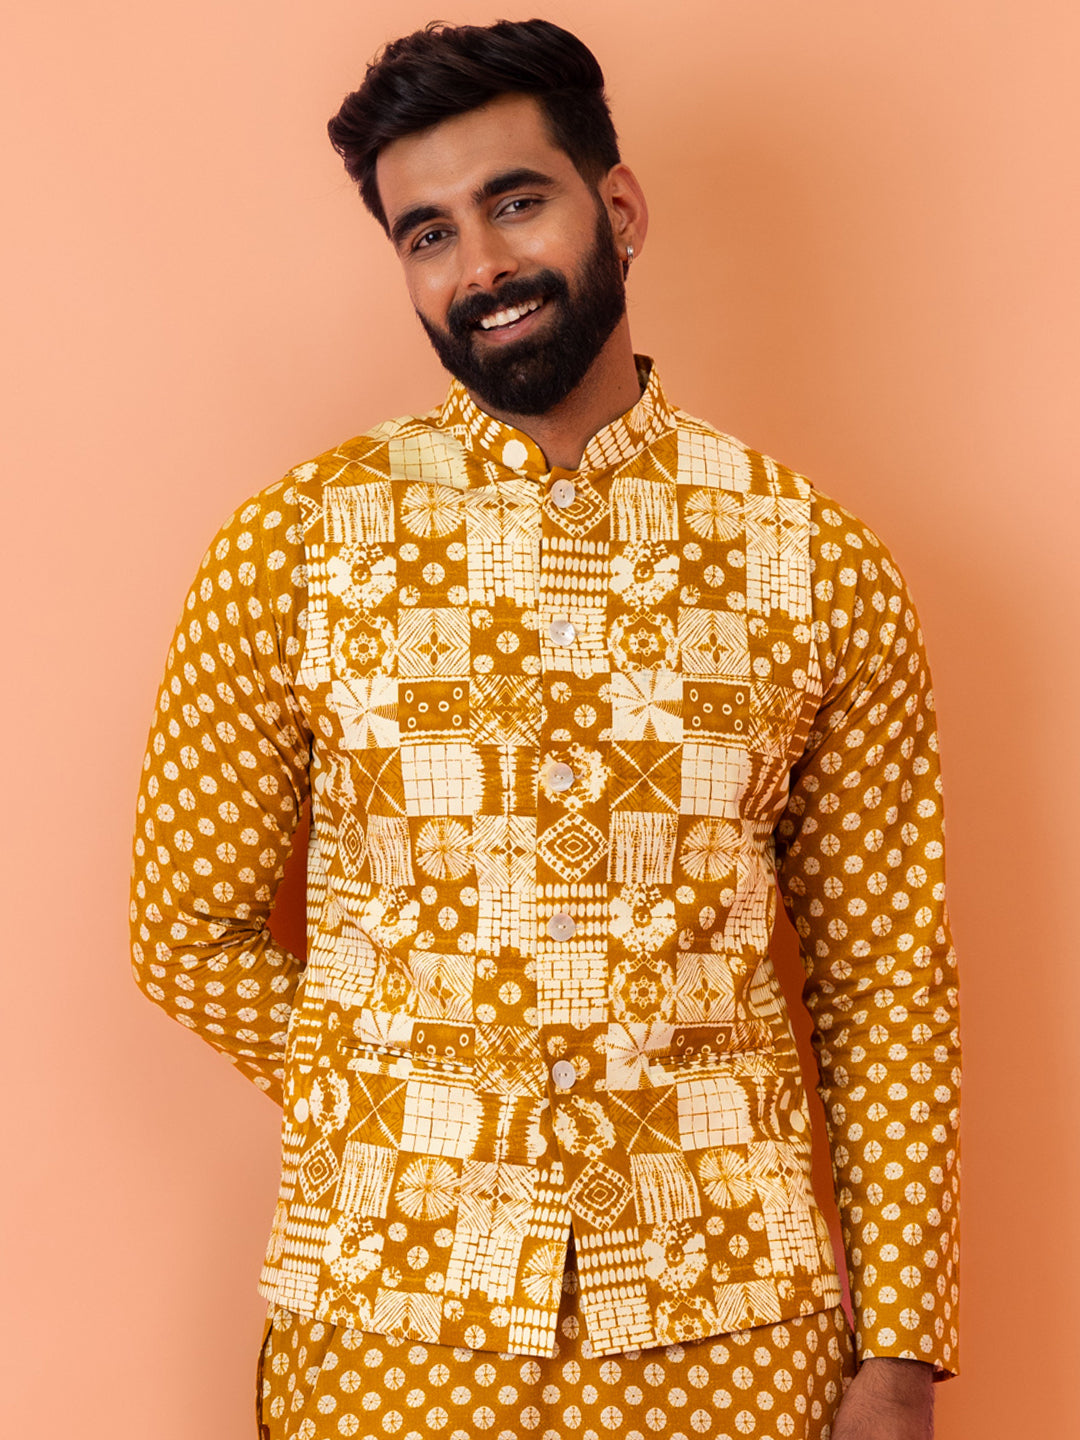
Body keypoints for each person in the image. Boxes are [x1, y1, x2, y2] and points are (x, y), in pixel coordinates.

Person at [129, 19, 959, 1440]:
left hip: (729, 1322)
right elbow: (183, 929)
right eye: (428, 234)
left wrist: (899, 1354)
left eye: (514, 201)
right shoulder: (294, 550)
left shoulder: (817, 566)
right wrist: (420, 1103)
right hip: (390, 1323)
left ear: (616, 207)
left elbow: (885, 979)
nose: (480, 266)